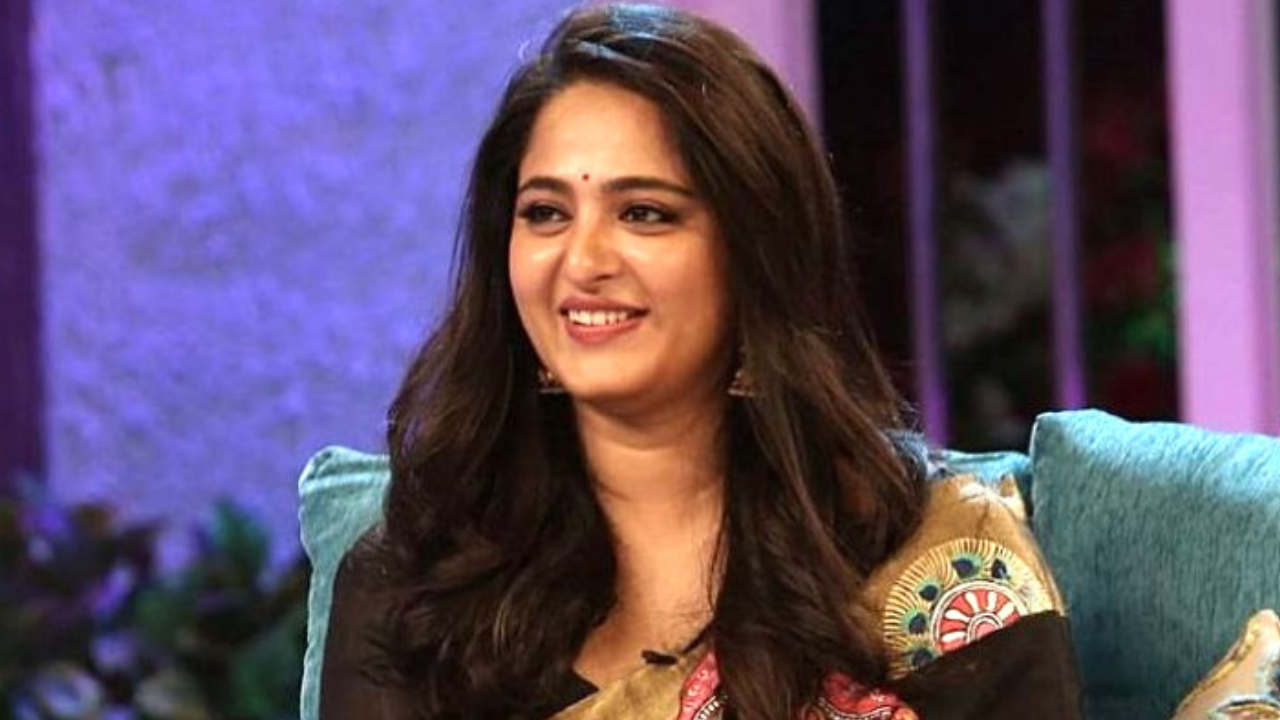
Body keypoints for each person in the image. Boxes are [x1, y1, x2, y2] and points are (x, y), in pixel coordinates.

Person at [317, 4, 1084, 719]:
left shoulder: (943, 567)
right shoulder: (418, 579)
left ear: (754, 254)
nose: (581, 261)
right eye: (545, 213)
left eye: (644, 213)